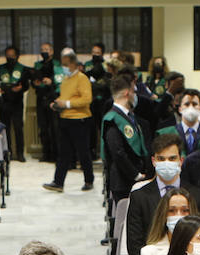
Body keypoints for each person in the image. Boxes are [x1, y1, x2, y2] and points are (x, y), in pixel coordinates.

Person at [126, 134, 200, 255]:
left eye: (172, 158)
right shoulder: (139, 197)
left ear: (181, 160)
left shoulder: (198, 195)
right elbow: (134, 244)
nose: (166, 163)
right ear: (153, 161)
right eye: (161, 159)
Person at [43, 49, 95, 193]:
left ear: (73, 64)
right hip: (65, 119)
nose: (63, 67)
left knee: (83, 152)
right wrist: (57, 103)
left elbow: (86, 99)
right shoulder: (65, 80)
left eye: (65, 64)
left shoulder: (82, 78)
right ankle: (58, 182)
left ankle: (89, 180)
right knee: (64, 153)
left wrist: (66, 104)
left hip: (80, 119)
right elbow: (65, 97)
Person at [101, 75, 151, 206]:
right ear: (127, 93)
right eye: (134, 92)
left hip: (135, 179)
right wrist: (136, 174)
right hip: (123, 181)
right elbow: (117, 152)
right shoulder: (112, 119)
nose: (136, 96)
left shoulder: (129, 116)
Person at [140, 188, 197, 255]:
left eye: (185, 210)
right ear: (163, 215)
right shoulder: (149, 252)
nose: (178, 215)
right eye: (172, 211)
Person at [0, 46, 30, 162]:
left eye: (12, 55)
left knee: (18, 128)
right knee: (5, 129)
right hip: (4, 103)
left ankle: (20, 153)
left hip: (17, 103)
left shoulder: (22, 69)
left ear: (17, 56)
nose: (10, 57)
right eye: (8, 55)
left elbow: (26, 85)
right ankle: (8, 153)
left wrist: (20, 89)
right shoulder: (0, 68)